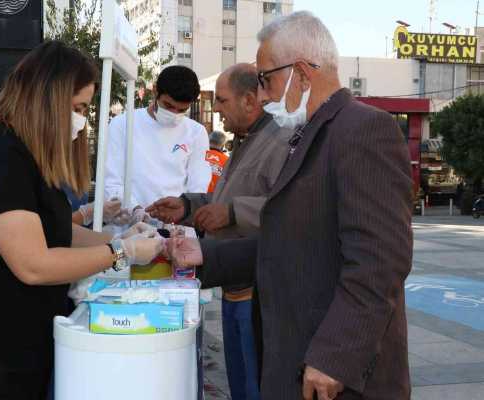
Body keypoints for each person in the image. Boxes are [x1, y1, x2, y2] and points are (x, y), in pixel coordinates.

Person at [168, 11, 413, 400]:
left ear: (301, 72)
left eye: (266, 80)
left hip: (334, 371)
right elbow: (291, 241)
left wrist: (336, 354)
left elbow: (379, 261)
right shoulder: (305, 135)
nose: (263, 96)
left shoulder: (363, 129)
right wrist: (206, 255)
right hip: (294, 354)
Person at [0, 41, 164, 399]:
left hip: (14, 344)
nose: (81, 120)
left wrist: (126, 236)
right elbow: (33, 263)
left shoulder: (23, 152)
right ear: (48, 99)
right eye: (78, 107)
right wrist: (121, 251)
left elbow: (53, 232)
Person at [148, 63, 293, 400]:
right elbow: (226, 198)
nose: (217, 110)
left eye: (223, 101)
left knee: (256, 385)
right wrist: (187, 207)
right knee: (240, 385)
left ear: (248, 100)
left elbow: (289, 209)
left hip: (257, 292)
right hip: (232, 285)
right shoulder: (246, 141)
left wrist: (230, 212)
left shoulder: (280, 142)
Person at [104, 65, 211, 208]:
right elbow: (111, 181)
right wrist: (135, 211)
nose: (174, 113)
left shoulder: (197, 132)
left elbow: (198, 186)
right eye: (168, 105)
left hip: (176, 225)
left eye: (182, 110)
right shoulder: (123, 124)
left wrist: (183, 211)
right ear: (155, 91)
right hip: (127, 223)